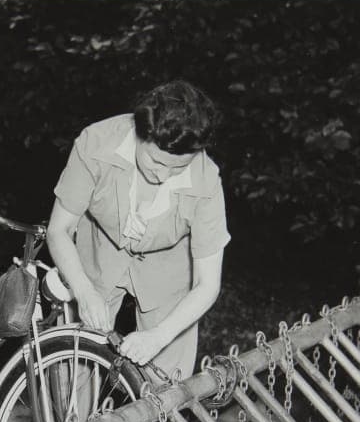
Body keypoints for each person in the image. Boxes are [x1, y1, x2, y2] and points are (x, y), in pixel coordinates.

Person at [46, 80, 229, 385]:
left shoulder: (207, 181)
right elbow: (59, 229)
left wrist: (159, 336)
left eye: (177, 169)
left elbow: (207, 284)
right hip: (100, 252)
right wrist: (83, 290)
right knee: (74, 369)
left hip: (169, 271)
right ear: (139, 135)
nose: (162, 175)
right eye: (156, 161)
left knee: (168, 386)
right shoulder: (95, 143)